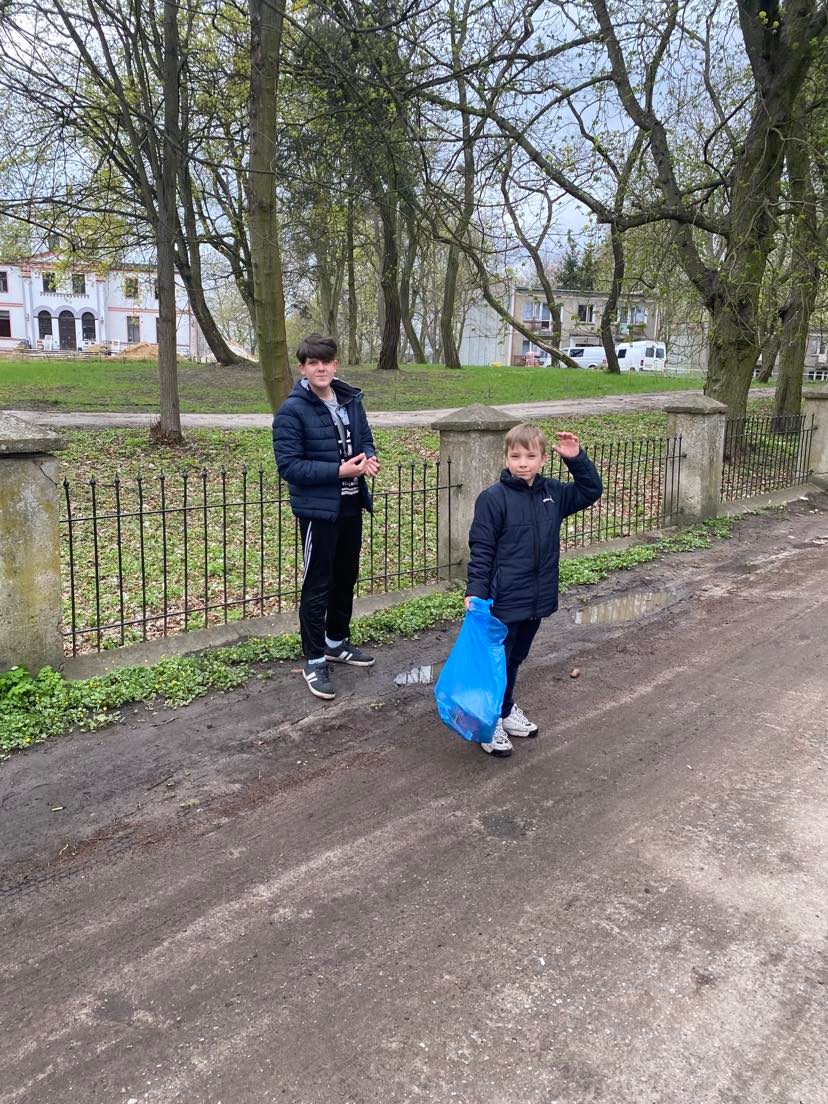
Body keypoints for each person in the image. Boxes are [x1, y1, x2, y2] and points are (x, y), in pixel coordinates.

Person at [465, 422, 603, 757]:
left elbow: (590, 490)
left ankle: (504, 709)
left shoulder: (553, 494)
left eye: (530, 456)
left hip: (536, 595)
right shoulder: (493, 499)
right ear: (506, 458)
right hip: (503, 597)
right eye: (516, 456)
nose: (523, 463)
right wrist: (476, 591)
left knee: (516, 657)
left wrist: (576, 458)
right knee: (497, 660)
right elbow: (481, 548)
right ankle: (488, 722)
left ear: (543, 459)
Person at [274, 333, 380, 700]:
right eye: (313, 363)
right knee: (317, 584)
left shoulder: (351, 399)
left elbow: (365, 439)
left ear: (336, 364)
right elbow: (290, 467)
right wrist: (339, 471)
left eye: (327, 362)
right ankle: (315, 658)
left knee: (345, 577)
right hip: (319, 511)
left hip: (351, 505)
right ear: (302, 369)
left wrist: (368, 458)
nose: (321, 368)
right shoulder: (291, 411)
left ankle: (336, 641)